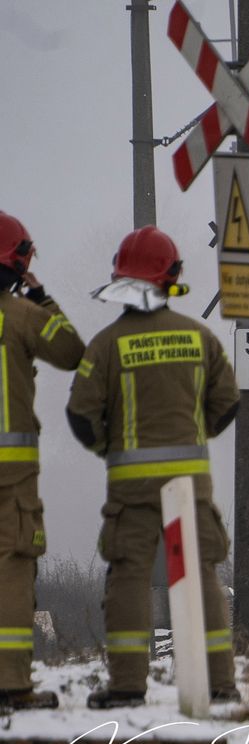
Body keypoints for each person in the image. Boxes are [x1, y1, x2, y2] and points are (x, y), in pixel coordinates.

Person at [66, 226, 240, 709]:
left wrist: (111, 448)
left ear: (120, 277)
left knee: (129, 577)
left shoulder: (105, 345)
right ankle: (219, 682)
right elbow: (227, 404)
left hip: (131, 488)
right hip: (189, 485)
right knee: (199, 575)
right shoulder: (199, 337)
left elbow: (80, 415)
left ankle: (127, 686)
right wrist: (192, 435)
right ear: (172, 278)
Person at [0, 212, 85, 712]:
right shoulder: (20, 315)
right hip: (11, 472)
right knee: (12, 565)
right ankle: (10, 683)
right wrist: (41, 296)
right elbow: (72, 351)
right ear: (18, 261)